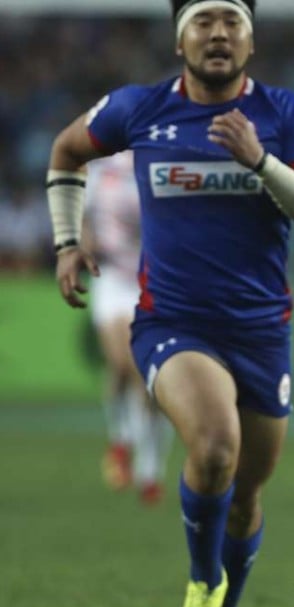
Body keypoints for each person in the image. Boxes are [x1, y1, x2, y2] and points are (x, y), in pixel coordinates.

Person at [48, 1, 294, 607]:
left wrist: (261, 161)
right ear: (179, 38)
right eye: (203, 20)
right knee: (213, 448)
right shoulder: (139, 108)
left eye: (231, 21)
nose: (218, 33)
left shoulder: (282, 113)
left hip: (261, 333)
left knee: (246, 495)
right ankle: (203, 578)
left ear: (250, 39)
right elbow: (67, 151)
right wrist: (67, 241)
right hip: (172, 324)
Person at [84, 151, 173, 505]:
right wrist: (83, 245)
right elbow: (85, 216)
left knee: (149, 379)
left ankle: (150, 470)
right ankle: (121, 439)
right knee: (121, 364)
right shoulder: (100, 169)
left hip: (151, 279)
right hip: (111, 277)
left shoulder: (161, 163)